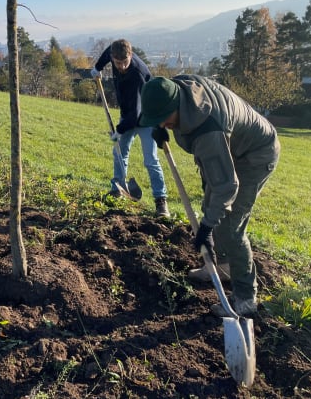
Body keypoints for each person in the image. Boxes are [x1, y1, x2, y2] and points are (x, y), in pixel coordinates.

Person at [139, 75, 280, 316]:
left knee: (230, 226)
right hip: (228, 147)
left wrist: (205, 229)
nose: (162, 124)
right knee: (211, 205)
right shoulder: (175, 89)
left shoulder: (208, 129)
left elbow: (226, 186)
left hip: (255, 155)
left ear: (176, 106)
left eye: (164, 119)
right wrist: (157, 125)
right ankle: (222, 265)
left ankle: (245, 300)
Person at [91, 39, 170, 217]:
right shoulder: (114, 56)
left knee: (150, 159)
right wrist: (97, 67)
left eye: (125, 62)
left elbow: (136, 114)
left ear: (131, 55)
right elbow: (106, 54)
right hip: (128, 112)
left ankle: (161, 201)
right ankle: (118, 189)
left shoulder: (137, 73)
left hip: (147, 117)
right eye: (117, 63)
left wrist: (118, 131)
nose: (122, 66)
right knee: (119, 152)